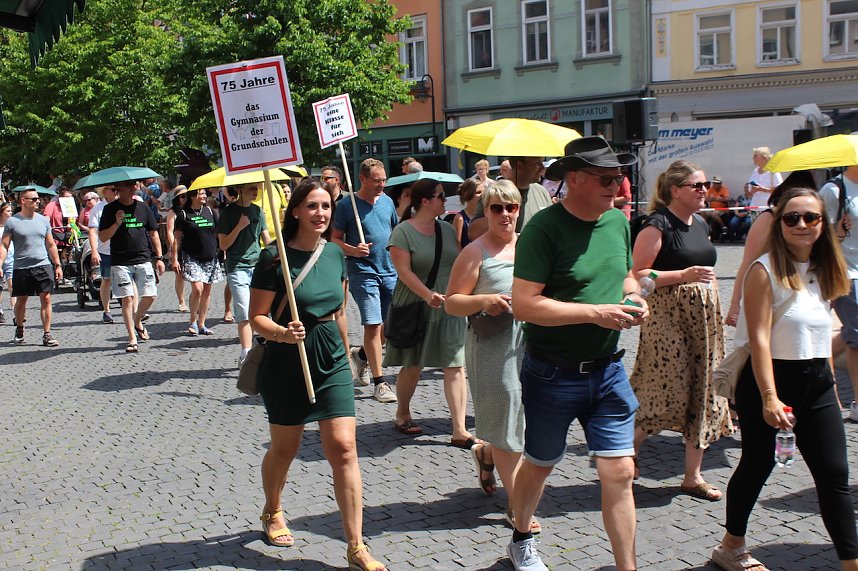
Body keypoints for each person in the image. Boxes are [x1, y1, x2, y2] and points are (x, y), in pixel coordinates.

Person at [508, 136, 645, 571]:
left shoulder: (619, 223)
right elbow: (525, 304)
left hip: (608, 371)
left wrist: (635, 298)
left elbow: (625, 277)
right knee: (540, 464)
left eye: (619, 177)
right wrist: (594, 313)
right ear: (573, 179)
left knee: (620, 472)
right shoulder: (543, 229)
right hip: (552, 372)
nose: (617, 186)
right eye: (607, 178)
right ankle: (521, 534)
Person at [712, 187, 858, 571]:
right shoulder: (764, 270)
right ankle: (731, 545)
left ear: (822, 224)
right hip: (771, 379)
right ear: (779, 225)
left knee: (834, 475)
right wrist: (769, 397)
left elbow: (823, 331)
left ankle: (850, 561)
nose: (802, 225)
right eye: (792, 218)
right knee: (757, 465)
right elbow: (759, 339)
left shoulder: (826, 268)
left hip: (817, 382)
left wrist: (831, 384)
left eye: (810, 217)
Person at [249, 179, 387, 571]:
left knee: (344, 448)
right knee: (285, 448)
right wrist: (280, 332)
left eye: (326, 206)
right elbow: (255, 317)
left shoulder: (334, 255)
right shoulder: (273, 258)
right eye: (312, 206)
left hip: (331, 359)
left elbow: (340, 311)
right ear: (295, 211)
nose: (321, 213)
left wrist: (349, 357)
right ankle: (272, 509)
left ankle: (356, 547)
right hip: (287, 361)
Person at [630, 160, 734, 501]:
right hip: (668, 323)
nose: (705, 191)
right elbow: (639, 275)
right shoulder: (657, 224)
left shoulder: (700, 222)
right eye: (697, 186)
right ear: (676, 191)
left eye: (705, 185)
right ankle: (622, 455)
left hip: (703, 323)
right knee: (663, 390)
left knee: (703, 390)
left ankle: (693, 476)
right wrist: (682, 276)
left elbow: (706, 266)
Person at [445, 180, 537, 531]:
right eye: (497, 208)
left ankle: (486, 452)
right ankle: (518, 505)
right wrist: (484, 300)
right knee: (506, 419)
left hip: (530, 344)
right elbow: (453, 302)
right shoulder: (475, 251)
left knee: (522, 420)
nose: (505, 215)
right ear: (485, 211)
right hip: (493, 346)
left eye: (511, 207)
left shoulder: (529, 247)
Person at [384, 178, 473, 446]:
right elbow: (403, 271)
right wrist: (426, 294)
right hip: (415, 304)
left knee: (455, 364)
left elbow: (457, 260)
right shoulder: (402, 232)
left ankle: (459, 429)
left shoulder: (446, 228)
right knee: (413, 365)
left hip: (448, 304)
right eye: (441, 197)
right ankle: (403, 413)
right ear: (425, 201)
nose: (445, 201)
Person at [332, 158, 399, 402]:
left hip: (389, 270)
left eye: (384, 179)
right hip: (362, 271)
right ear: (362, 179)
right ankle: (380, 383)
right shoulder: (347, 206)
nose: (381, 184)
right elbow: (334, 239)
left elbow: (395, 233)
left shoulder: (388, 202)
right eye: (376, 180)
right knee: (372, 323)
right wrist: (353, 249)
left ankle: (361, 355)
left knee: (389, 326)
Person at [98, 179, 165, 353]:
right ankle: (131, 337)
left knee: (150, 295)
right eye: (127, 186)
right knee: (127, 299)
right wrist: (117, 223)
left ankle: (137, 319)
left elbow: (153, 233)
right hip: (120, 262)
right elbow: (103, 237)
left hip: (143, 258)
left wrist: (159, 257)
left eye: (132, 185)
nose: (132, 188)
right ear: (119, 190)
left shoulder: (142, 208)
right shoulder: (109, 209)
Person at [0, 188, 63, 346]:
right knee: (21, 300)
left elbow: (50, 244)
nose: (37, 201)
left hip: (42, 265)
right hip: (21, 267)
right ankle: (20, 328)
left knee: (46, 298)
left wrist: (57, 264)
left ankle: (47, 334)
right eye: (33, 199)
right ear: (23, 201)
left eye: (38, 199)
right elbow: (4, 245)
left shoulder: (43, 220)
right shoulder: (12, 222)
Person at [217, 182, 271, 365]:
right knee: (245, 313)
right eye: (251, 188)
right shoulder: (228, 213)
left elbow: (266, 240)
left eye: (257, 188)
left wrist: (279, 247)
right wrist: (239, 226)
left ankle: (266, 349)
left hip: (257, 266)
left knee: (264, 311)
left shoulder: (258, 211)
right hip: (237, 267)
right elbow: (223, 245)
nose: (256, 191)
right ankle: (246, 353)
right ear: (240, 190)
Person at [821, 163, 858, 422]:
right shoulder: (834, 190)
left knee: (851, 334)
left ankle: (815, 362)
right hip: (845, 273)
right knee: (857, 337)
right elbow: (818, 236)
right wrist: (838, 232)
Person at [171, 187, 222, 336]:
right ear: (193, 196)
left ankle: (202, 323)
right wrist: (174, 258)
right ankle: (192, 320)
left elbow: (219, 232)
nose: (204, 195)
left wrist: (223, 250)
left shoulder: (211, 211)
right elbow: (176, 238)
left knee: (207, 290)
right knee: (198, 288)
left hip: (210, 255)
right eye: (201, 193)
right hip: (191, 256)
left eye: (205, 193)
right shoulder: (184, 214)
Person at [468, 156, 553, 241]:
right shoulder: (495, 193)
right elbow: (473, 233)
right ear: (519, 166)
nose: (542, 168)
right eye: (537, 163)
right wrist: (502, 213)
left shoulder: (542, 192)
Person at [87, 185, 119, 324]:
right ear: (105, 191)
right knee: (106, 279)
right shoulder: (98, 208)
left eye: (117, 189)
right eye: (113, 189)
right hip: (105, 250)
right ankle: (106, 310)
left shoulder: (123, 204)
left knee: (129, 279)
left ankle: (135, 310)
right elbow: (93, 231)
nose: (116, 191)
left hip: (124, 249)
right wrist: (94, 250)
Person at [165, 187, 190, 313]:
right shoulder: (173, 212)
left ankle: (195, 300)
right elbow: (170, 231)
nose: (185, 199)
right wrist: (173, 247)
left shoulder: (191, 210)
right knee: (179, 275)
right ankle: (182, 302)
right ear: (177, 198)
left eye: (186, 196)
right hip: (178, 246)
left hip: (192, 246)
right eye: (182, 196)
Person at [451, 178, 483, 250]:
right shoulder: (460, 218)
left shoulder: (487, 215)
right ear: (467, 195)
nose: (483, 195)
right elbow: (457, 246)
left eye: (484, 191)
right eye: (478, 192)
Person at [0, 201, 16, 324]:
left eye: (11, 211)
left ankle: (16, 313)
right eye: (8, 211)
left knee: (12, 287)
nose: (11, 213)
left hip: (11, 257)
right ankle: (0, 311)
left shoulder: (13, 226)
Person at [701, 176, 732, 241]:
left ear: (720, 184)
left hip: (722, 208)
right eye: (714, 183)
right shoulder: (711, 189)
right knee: (703, 212)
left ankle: (723, 227)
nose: (715, 185)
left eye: (717, 183)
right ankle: (706, 228)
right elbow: (706, 199)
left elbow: (726, 199)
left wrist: (719, 199)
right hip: (712, 208)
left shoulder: (724, 189)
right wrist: (713, 199)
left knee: (714, 214)